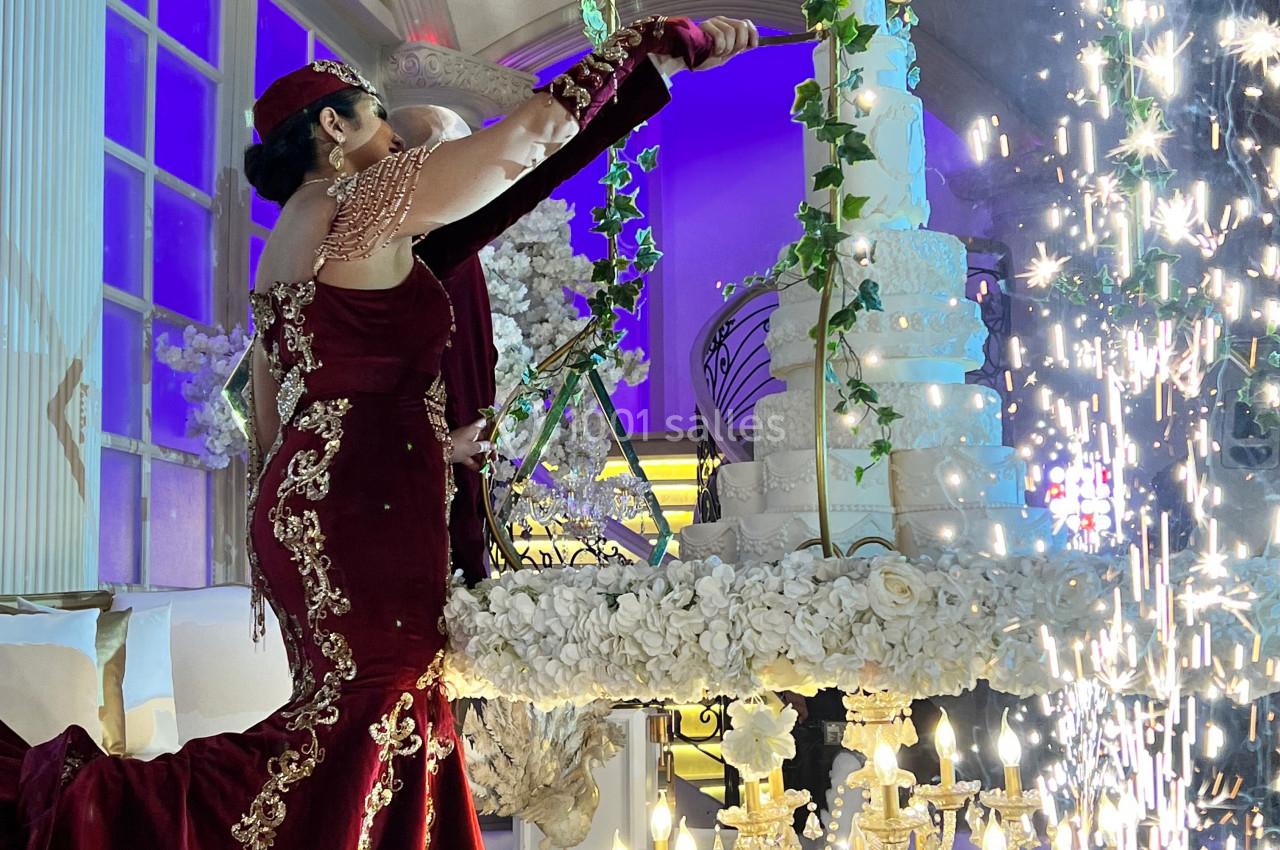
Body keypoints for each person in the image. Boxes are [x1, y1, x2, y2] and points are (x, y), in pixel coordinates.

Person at [0, 15, 756, 850]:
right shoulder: (360, 202)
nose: (397, 137)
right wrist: (653, 43)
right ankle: (99, 815)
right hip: (361, 516)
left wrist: (431, 449)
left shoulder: (290, 238)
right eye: (379, 116)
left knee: (367, 717)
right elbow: (527, 143)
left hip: (318, 505)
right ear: (334, 127)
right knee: (362, 720)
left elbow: (277, 412)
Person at [391, 48, 678, 585]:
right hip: (414, 508)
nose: (478, 179)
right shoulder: (421, 249)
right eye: (459, 161)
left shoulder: (451, 251)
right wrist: (654, 69)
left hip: (458, 501)